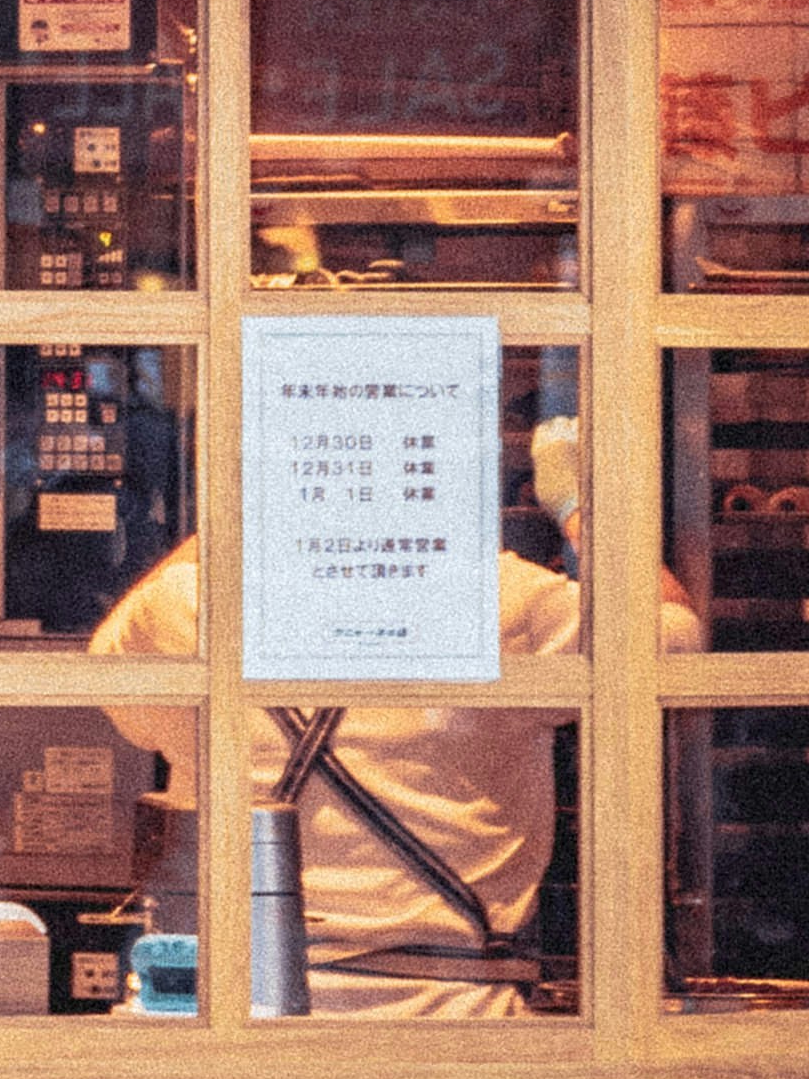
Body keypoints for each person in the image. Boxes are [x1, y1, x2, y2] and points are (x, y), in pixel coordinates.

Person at [88, 409, 701, 1023]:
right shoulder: (500, 598)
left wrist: (241, 508)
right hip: (445, 1022)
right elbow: (673, 640)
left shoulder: (186, 603)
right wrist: (579, 503)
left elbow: (112, 672)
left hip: (215, 1013)